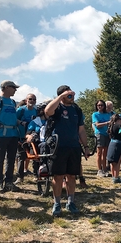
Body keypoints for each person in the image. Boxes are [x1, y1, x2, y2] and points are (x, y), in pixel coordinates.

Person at [45, 85, 89, 216]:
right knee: (58, 176)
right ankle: (57, 204)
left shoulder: (77, 109)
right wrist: (60, 97)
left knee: (71, 176)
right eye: (69, 95)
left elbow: (81, 130)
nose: (72, 97)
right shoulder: (57, 107)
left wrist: (86, 147)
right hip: (59, 146)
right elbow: (47, 111)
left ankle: (71, 202)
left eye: (72, 95)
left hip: (74, 147)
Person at [0, 80, 20, 193]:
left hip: (13, 134)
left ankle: (9, 182)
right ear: (6, 87)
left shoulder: (12, 102)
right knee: (0, 159)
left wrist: (19, 122)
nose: (15, 90)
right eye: (13, 87)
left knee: (11, 159)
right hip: (1, 134)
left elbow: (12, 117)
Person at [14, 93, 37, 184]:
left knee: (35, 156)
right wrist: (21, 122)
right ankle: (20, 177)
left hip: (32, 138)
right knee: (21, 156)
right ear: (26, 100)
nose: (32, 101)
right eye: (30, 99)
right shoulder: (21, 110)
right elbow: (13, 119)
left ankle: (36, 175)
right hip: (21, 136)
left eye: (34, 99)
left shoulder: (36, 111)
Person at [92, 100, 112, 177]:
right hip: (99, 134)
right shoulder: (95, 114)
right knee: (99, 153)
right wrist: (107, 123)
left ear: (104, 106)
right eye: (98, 105)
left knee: (105, 153)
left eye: (101, 105)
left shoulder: (107, 114)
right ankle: (99, 170)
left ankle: (104, 169)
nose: (100, 107)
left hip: (107, 134)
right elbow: (97, 125)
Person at [107, 114, 121, 184]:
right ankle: (116, 177)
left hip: (111, 143)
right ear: (118, 120)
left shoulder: (110, 126)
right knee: (117, 162)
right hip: (118, 145)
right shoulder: (119, 127)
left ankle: (113, 176)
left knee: (112, 162)